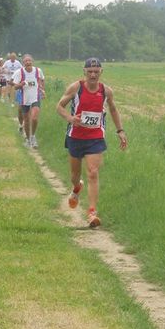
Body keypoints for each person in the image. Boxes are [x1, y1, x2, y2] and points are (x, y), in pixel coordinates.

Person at [56, 58, 128, 228]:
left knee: (93, 172)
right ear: (84, 72)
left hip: (95, 137)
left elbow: (113, 109)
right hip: (75, 137)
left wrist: (120, 130)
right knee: (75, 176)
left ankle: (92, 212)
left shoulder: (106, 91)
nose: (93, 75)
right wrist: (70, 118)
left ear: (101, 72)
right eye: (90, 72)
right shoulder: (76, 87)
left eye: (96, 71)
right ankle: (76, 188)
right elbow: (59, 106)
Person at [12, 54, 45, 148]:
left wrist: (42, 90)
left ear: (32, 61)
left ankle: (33, 136)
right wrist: (22, 84)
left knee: (34, 118)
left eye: (29, 60)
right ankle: (28, 139)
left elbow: (42, 80)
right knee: (26, 120)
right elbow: (15, 87)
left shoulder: (38, 71)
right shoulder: (20, 72)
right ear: (23, 63)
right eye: (26, 61)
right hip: (24, 99)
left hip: (35, 97)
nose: (28, 62)